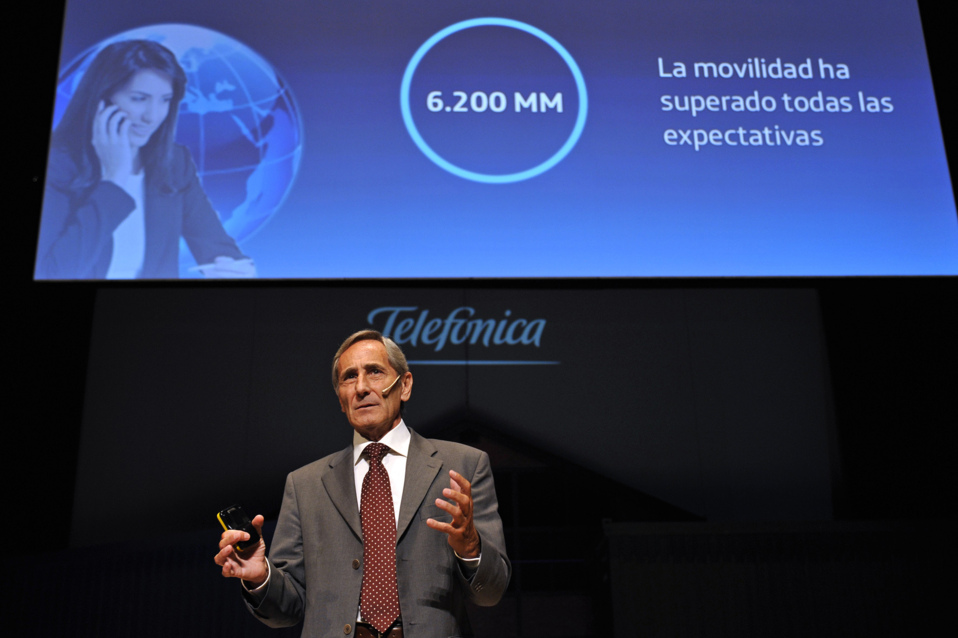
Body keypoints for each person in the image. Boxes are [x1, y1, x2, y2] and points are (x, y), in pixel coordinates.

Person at [215, 330, 511, 638]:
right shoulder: (305, 484)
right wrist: (261, 576)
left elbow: (491, 593)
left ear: (405, 385)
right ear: (341, 400)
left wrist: (470, 548)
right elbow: (287, 610)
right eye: (348, 377)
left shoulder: (463, 464)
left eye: (375, 372)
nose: (361, 387)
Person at [35, 39, 255, 279]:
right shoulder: (56, 164)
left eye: (165, 100)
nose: (152, 116)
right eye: (139, 98)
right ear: (101, 99)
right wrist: (114, 180)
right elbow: (51, 274)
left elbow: (218, 249)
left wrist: (236, 269)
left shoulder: (175, 162)